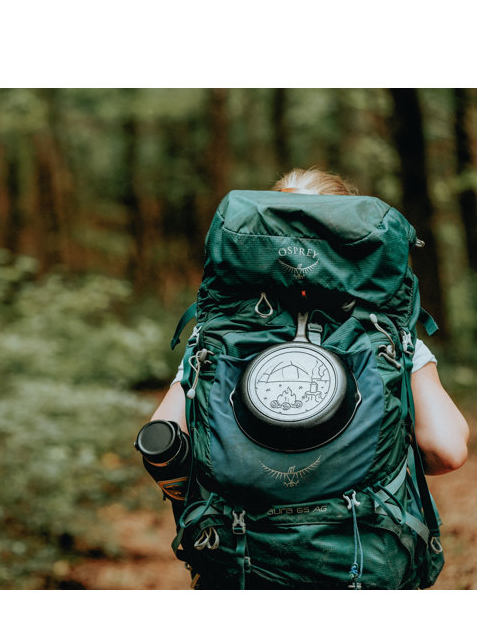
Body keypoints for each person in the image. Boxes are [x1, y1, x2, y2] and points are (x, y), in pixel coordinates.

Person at [152, 168, 469, 479]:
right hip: (357, 525)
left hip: (241, 528)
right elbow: (446, 451)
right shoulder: (383, 329)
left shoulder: (222, 328)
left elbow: (162, 438)